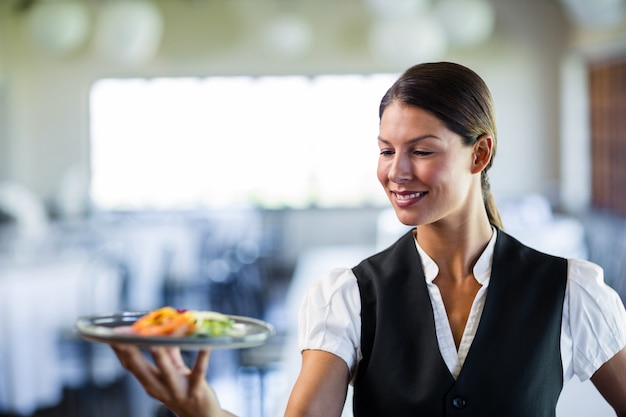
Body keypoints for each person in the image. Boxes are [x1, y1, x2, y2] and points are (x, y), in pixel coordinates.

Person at [112, 61, 626, 417]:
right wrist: (202, 410)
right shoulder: (351, 296)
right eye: (386, 150)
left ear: (480, 153)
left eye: (421, 151)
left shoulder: (569, 290)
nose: (396, 173)